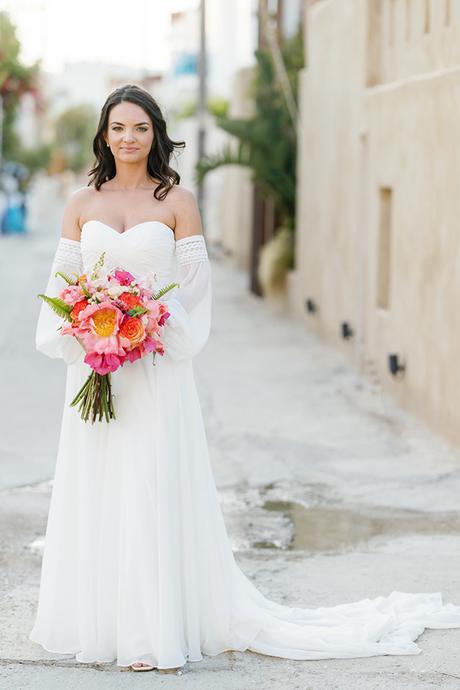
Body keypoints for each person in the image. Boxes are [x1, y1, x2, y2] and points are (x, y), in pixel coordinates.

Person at [29, 84, 460, 673]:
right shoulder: (81, 202)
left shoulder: (176, 200)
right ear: (104, 134)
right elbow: (63, 287)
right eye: (118, 127)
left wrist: (149, 323)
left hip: (156, 367)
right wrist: (86, 328)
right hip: (97, 369)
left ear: (156, 134)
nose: (129, 138)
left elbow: (195, 284)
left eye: (141, 128)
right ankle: (99, 621)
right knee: (104, 485)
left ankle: (152, 630)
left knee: (152, 485)